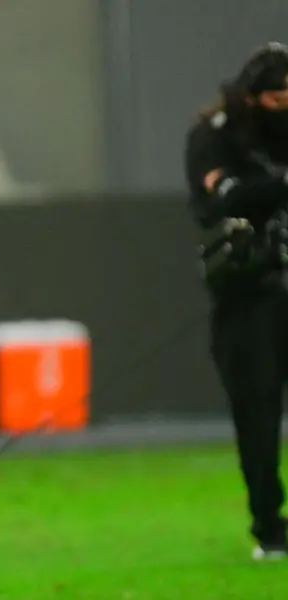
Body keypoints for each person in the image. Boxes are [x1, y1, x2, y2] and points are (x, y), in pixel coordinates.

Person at [186, 41, 288, 561]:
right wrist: (276, 187)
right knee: (257, 413)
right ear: (254, 97)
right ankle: (269, 524)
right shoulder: (214, 136)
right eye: (277, 100)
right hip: (246, 295)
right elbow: (219, 198)